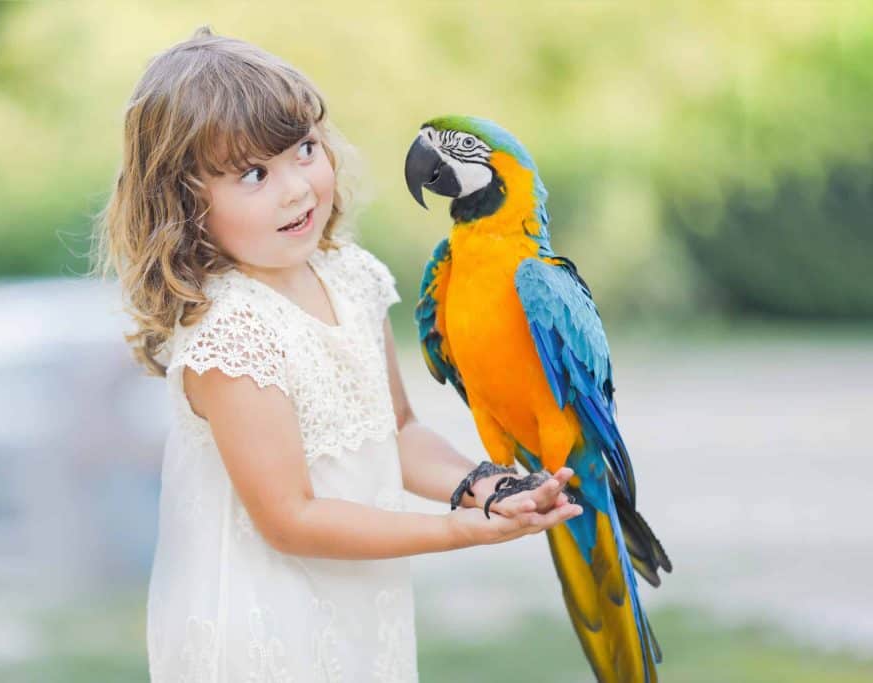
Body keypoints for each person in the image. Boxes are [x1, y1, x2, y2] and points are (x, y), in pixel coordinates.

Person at [92, 25, 583, 683]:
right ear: (186, 204)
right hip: (265, 632)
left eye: (304, 149)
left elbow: (397, 429)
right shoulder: (231, 335)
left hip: (356, 610)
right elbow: (291, 518)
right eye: (254, 173)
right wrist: (459, 532)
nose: (296, 189)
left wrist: (485, 488)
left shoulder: (350, 277)